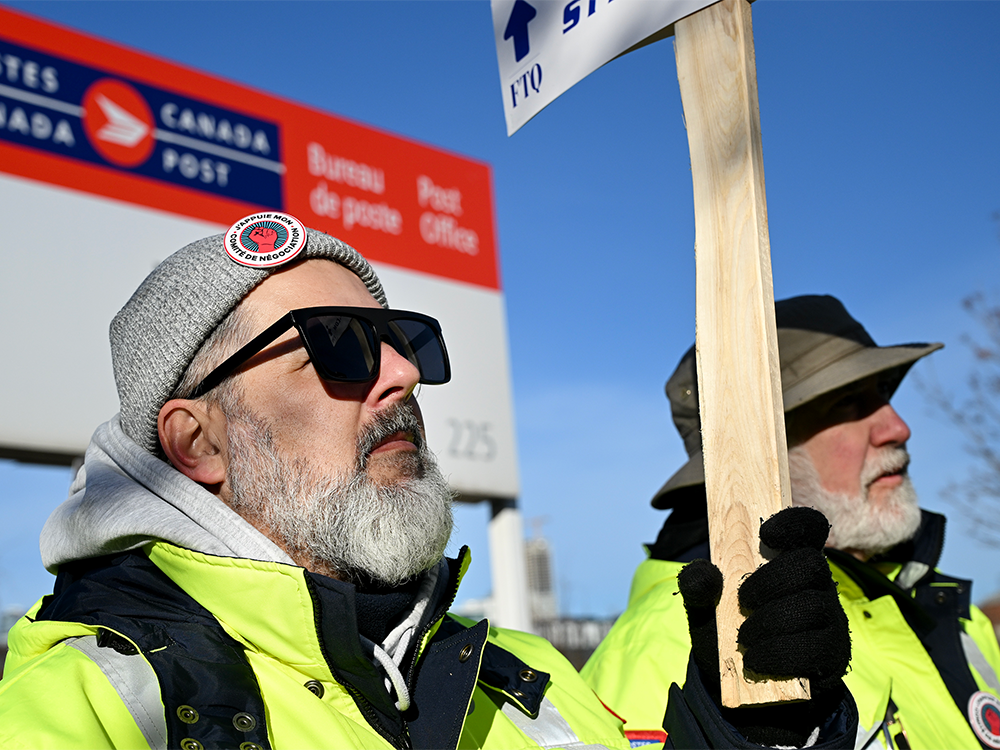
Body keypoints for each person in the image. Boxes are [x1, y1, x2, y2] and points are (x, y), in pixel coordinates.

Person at [0, 216, 857, 749]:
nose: (403, 374)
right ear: (199, 443)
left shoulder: (521, 672)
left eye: (403, 340)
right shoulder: (91, 705)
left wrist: (749, 735)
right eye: (337, 344)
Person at [582, 294, 1000, 750]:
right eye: (846, 403)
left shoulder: (946, 610)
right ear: (759, 460)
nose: (897, 427)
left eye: (882, 393)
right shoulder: (674, 642)